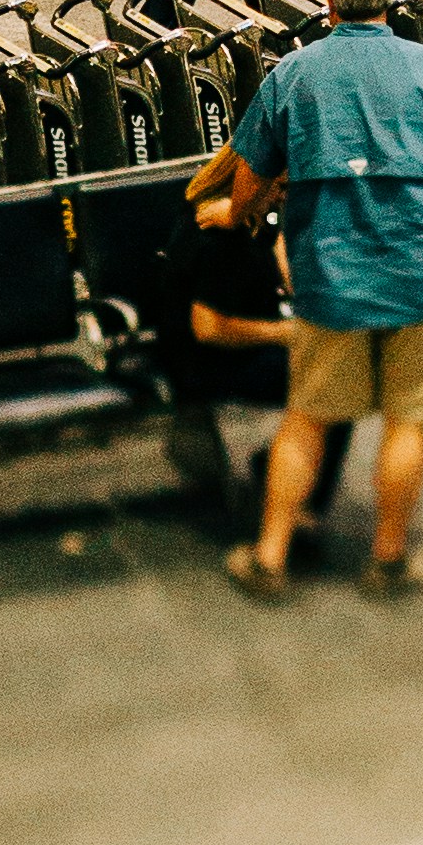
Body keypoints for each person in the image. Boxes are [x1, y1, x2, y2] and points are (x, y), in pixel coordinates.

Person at [220, 0, 423, 599]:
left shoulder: (293, 76)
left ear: (326, 0)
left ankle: (269, 558)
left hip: (331, 278)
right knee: (408, 419)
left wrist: (243, 216)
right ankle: (387, 560)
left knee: (309, 416)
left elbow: (249, 177)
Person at [163, 138, 349, 542]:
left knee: (339, 375)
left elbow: (282, 262)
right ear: (251, 181)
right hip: (207, 360)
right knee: (335, 383)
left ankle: (283, 473)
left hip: (239, 347)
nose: (284, 195)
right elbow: (208, 328)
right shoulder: (213, 235)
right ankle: (296, 499)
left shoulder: (246, 218)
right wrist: (288, 334)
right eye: (279, 187)